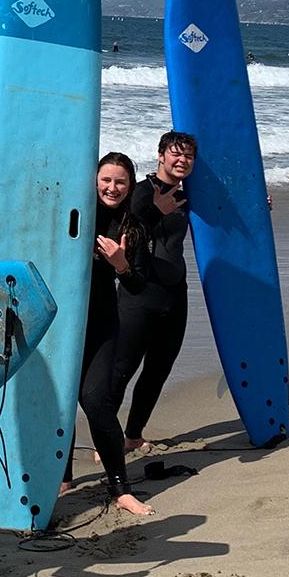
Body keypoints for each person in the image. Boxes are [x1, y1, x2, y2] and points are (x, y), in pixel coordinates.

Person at [75, 153, 153, 514]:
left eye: (120, 182)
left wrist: (120, 264)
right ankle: (60, 479)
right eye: (106, 180)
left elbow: (137, 285)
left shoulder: (132, 228)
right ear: (94, 181)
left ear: (130, 185)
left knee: (95, 401)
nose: (112, 187)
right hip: (61, 321)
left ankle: (120, 488)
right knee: (56, 403)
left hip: (101, 323)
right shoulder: (74, 215)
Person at [118, 131, 195, 448]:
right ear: (160, 155)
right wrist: (155, 211)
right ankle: (106, 439)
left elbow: (226, 213)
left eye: (188, 156)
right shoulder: (139, 192)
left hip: (175, 293)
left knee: (159, 368)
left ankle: (133, 435)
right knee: (120, 371)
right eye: (176, 153)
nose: (182, 160)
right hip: (139, 294)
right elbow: (126, 232)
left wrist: (262, 204)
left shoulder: (188, 195)